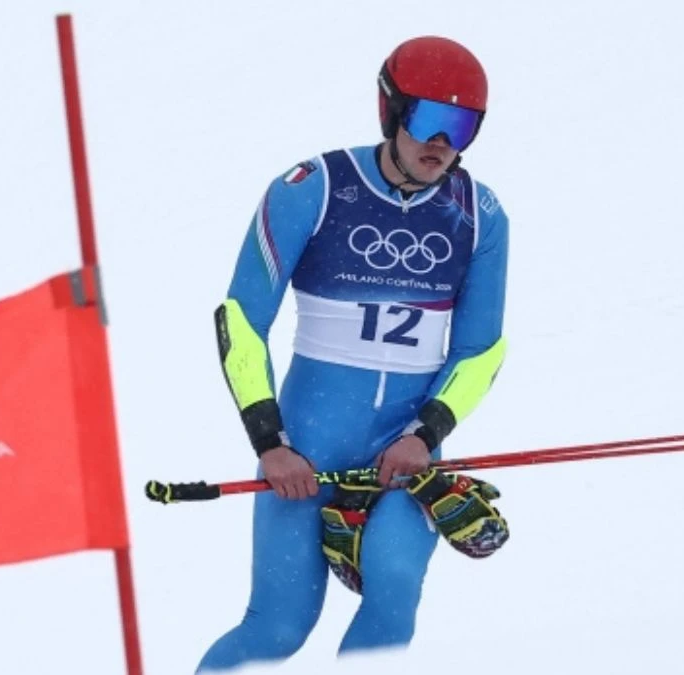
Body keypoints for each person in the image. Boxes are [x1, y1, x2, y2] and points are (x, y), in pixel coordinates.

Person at [197, 35, 511, 673]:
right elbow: (240, 321)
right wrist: (271, 444)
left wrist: (426, 435)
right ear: (390, 111)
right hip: (303, 451)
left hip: (405, 456)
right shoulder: (310, 189)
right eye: (429, 121)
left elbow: (480, 350)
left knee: (394, 589)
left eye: (463, 128)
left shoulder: (478, 215)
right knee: (278, 631)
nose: (442, 144)